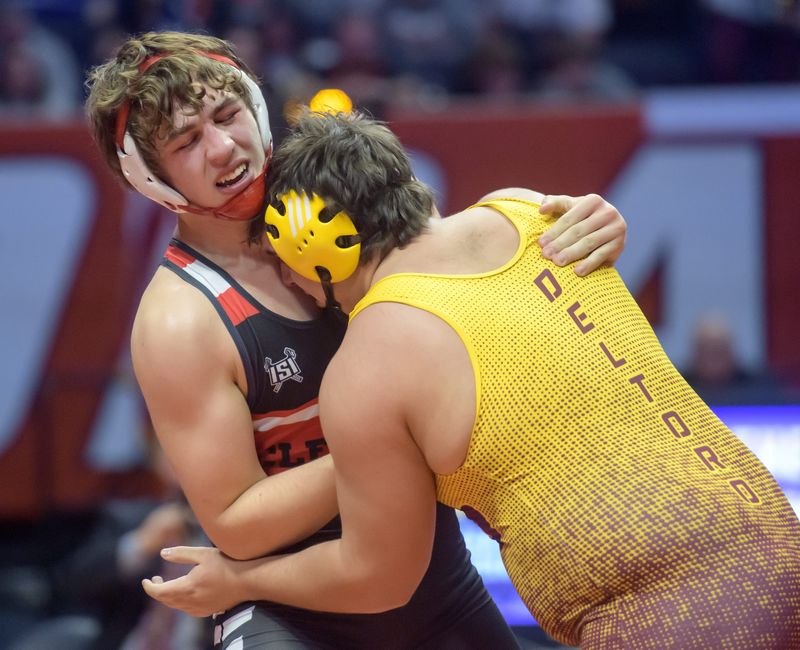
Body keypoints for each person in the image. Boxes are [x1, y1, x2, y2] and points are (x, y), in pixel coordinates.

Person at [145, 111, 800, 649]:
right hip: (773, 534)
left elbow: (378, 578)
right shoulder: (528, 212)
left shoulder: (371, 360)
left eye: (280, 256)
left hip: (677, 615)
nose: (284, 279)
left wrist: (240, 582)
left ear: (312, 246)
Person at [86, 31, 630, 648]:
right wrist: (391, 443)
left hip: (436, 586)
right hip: (292, 614)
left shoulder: (327, 193)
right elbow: (236, 523)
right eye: (186, 142)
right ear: (150, 179)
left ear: (257, 108)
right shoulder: (180, 319)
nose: (222, 147)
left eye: (227, 114)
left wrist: (579, 228)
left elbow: (470, 265)